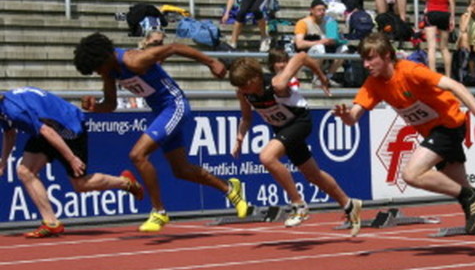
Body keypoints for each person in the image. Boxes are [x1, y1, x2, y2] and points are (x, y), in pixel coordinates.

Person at [333, 32, 475, 252]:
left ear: (387, 55)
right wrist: (345, 116)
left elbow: (456, 87)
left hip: (449, 124)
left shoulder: (410, 70)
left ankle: (469, 196)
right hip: (433, 132)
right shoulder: (373, 84)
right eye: (364, 59)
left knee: (411, 174)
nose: (366, 64)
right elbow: (353, 118)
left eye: (371, 59)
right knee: (462, 188)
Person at [73, 32, 250, 233]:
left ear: (104, 58)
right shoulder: (109, 71)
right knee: (181, 170)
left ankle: (159, 211)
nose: (97, 72)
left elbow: (173, 47)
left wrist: (211, 62)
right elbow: (111, 105)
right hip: (161, 112)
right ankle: (231, 190)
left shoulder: (134, 60)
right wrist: (95, 107)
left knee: (137, 155)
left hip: (175, 106)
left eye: (96, 68)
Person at [228, 50, 362, 234]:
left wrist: (322, 77)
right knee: (313, 175)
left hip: (300, 121)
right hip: (282, 129)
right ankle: (349, 204)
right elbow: (246, 118)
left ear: (254, 78)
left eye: (243, 85)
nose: (241, 90)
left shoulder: (277, 84)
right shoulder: (243, 94)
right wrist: (239, 138)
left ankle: (299, 205)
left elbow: (301, 56)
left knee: (267, 157)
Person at [0, 87, 144, 238]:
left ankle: (125, 182)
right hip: (48, 127)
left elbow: (47, 132)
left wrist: (71, 158)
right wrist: (3, 163)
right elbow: (10, 134)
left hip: (69, 129)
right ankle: (51, 223)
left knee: (81, 185)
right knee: (25, 171)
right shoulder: (4, 108)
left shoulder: (14, 111)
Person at [412, 0, 457, 78]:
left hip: (431, 12)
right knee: (444, 48)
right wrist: (452, 17)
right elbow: (452, 0)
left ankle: (433, 75)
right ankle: (448, 76)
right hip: (444, 13)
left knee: (431, 47)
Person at [294, 0, 348, 84]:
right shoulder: (303, 23)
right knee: (319, 47)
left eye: (323, 10)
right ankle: (317, 78)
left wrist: (334, 40)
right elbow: (299, 44)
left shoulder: (329, 22)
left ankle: (328, 77)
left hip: (325, 56)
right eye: (319, 10)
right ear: (311, 10)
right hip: (308, 58)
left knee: (344, 48)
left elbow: (333, 39)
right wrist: (320, 42)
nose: (322, 12)